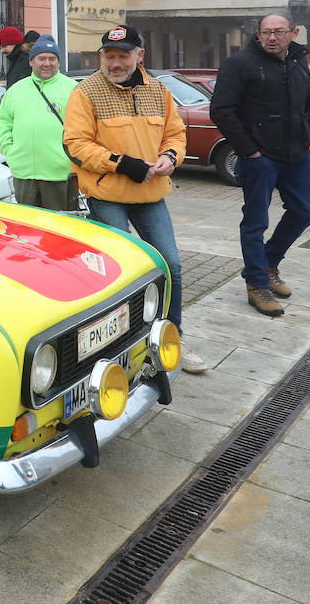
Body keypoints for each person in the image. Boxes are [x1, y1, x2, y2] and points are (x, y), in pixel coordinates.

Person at [63, 24, 207, 373]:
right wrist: (122, 164)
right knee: (122, 272)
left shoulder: (159, 91)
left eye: (122, 56)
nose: (115, 62)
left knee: (169, 264)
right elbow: (75, 145)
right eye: (109, 56)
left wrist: (171, 157)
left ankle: (172, 335)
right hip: (107, 194)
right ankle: (118, 346)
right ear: (102, 56)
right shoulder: (86, 92)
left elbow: (175, 133)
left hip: (151, 192)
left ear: (138, 56)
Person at [209, 11, 310, 318]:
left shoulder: (297, 60)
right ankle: (257, 284)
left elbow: (309, 101)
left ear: (293, 33)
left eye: (279, 32)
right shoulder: (239, 64)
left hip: (295, 154)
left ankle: (268, 263)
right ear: (258, 34)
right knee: (255, 222)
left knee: (305, 211)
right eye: (266, 32)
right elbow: (221, 111)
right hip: (260, 157)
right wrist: (249, 151)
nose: (272, 37)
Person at [0, 34, 76, 211]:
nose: (47, 63)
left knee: (60, 229)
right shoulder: (16, 90)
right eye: (41, 58)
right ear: (31, 62)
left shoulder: (73, 89)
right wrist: (9, 150)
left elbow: (85, 128)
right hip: (24, 175)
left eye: (52, 58)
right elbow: (2, 122)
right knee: (28, 232)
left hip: (60, 175)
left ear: (58, 62)